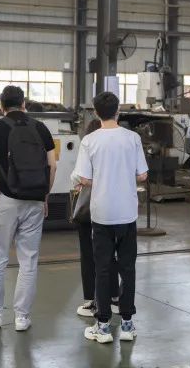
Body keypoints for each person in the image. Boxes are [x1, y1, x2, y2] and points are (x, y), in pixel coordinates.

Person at [0, 85, 57, 332]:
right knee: (29, 260)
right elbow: (53, 165)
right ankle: (22, 318)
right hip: (35, 200)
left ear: (1, 106)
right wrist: (44, 196)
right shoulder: (40, 128)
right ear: (24, 104)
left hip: (6, 200)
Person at [73, 91, 149, 345]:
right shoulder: (133, 138)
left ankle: (103, 326)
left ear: (96, 113)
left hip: (102, 214)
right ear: (118, 111)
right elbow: (142, 175)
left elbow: (84, 178)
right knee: (128, 268)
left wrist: (101, 176)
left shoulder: (90, 141)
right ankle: (127, 323)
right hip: (127, 213)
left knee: (103, 269)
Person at [74, 118, 121, 319]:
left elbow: (78, 177)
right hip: (116, 210)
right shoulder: (121, 146)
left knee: (89, 255)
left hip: (90, 211)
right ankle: (115, 299)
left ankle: (92, 301)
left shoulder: (88, 145)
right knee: (111, 255)